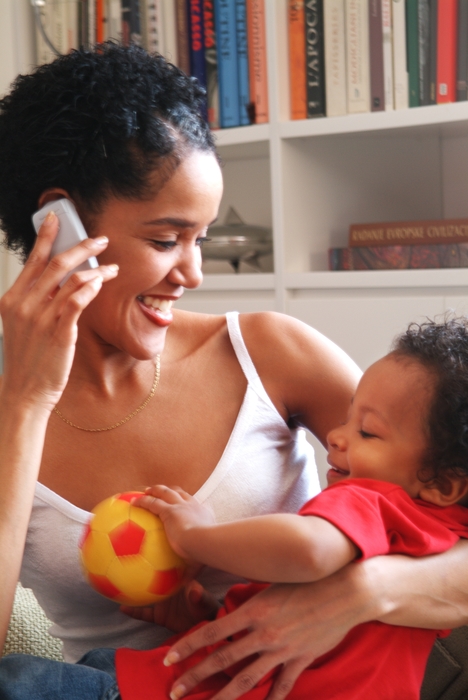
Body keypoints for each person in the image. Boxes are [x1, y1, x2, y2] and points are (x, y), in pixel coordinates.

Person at [0, 41, 467, 700]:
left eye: (202, 239)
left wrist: (359, 593)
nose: (192, 275)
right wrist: (23, 406)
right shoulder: (8, 410)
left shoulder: (268, 352)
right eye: (165, 241)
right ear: (63, 228)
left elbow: (446, 506)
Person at [113, 318, 468, 700]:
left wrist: (193, 536)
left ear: (444, 485)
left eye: (367, 431)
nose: (336, 435)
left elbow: (309, 550)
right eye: (348, 417)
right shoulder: (446, 537)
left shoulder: (371, 497)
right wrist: (208, 619)